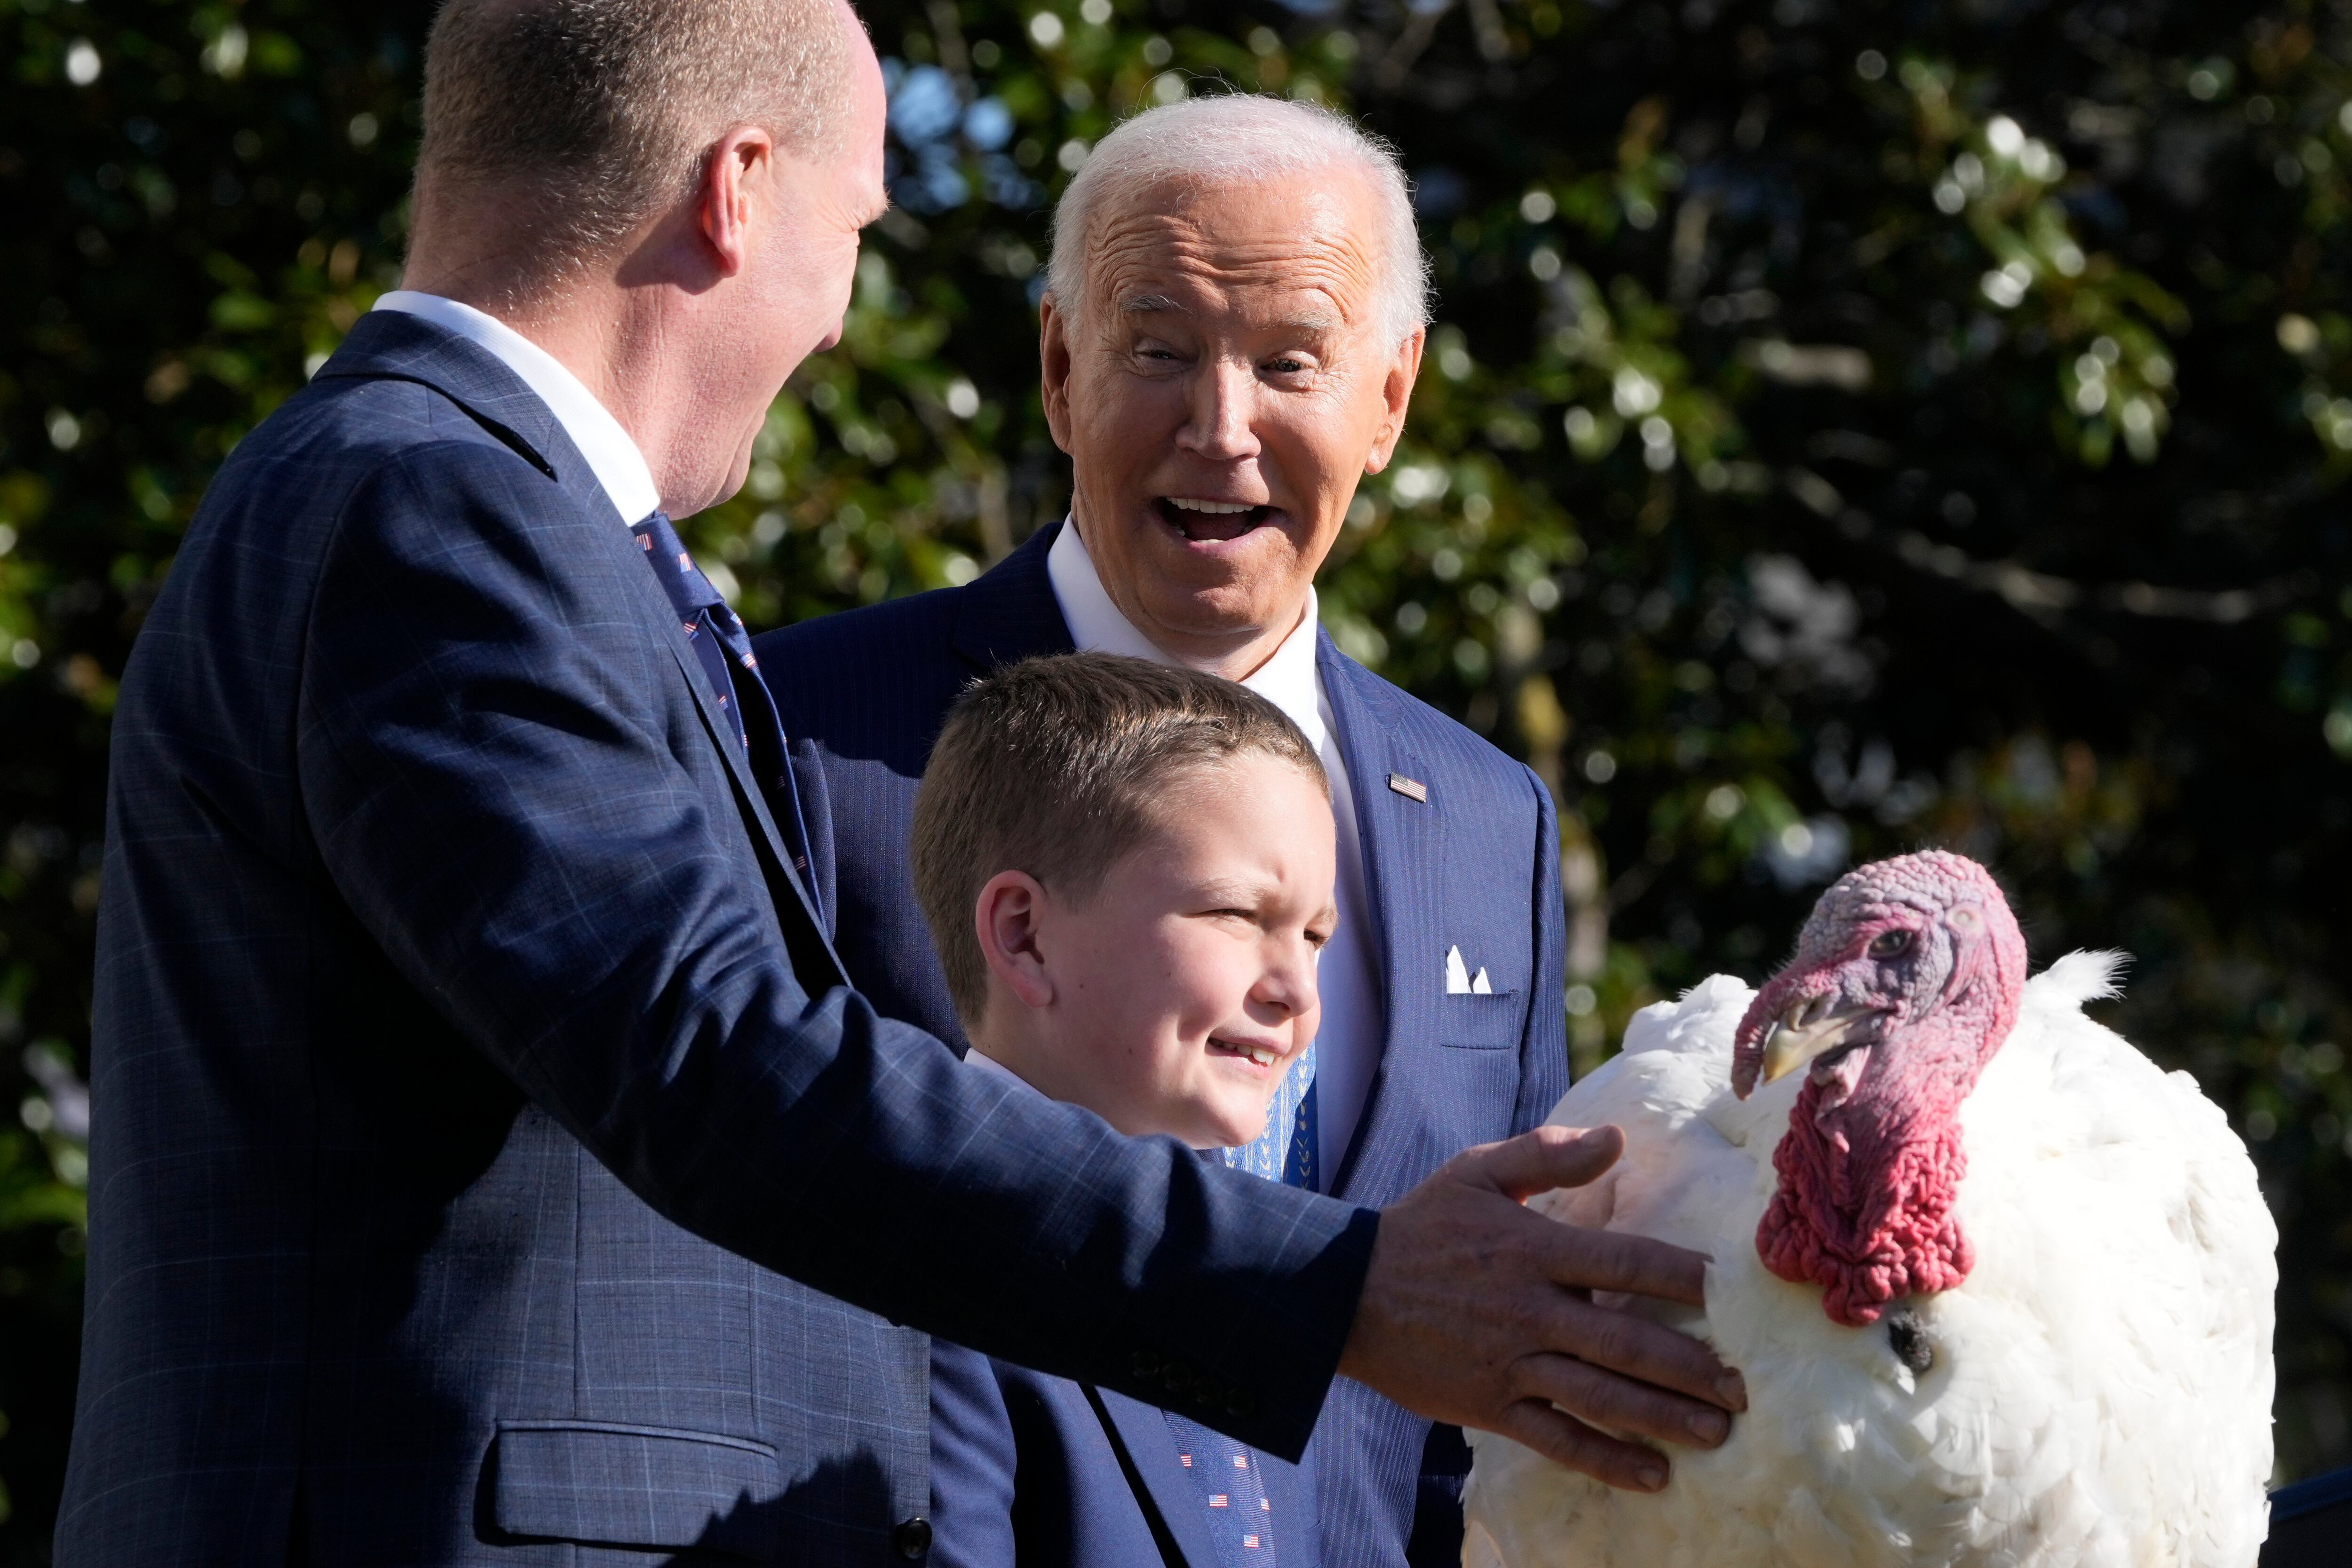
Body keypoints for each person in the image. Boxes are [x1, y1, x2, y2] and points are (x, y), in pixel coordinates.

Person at [59, 0, 1743, 1560]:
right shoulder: (437, 507)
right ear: (739, 193)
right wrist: (1340, 1287)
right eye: (856, 227)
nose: (844, 308)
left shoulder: (436, 496)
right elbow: (715, 1056)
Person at [755, 93, 1648, 1565]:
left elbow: (1483, 1379)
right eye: (1158, 350)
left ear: (1392, 396)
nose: (1221, 427)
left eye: (1291, 362)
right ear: (1058, 367)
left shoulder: (1489, 818)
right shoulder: (800, 731)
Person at [913, 653, 1342, 1567]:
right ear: (1025, 935)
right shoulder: (922, 1290)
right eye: (1233, 911)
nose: (1296, 988)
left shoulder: (1266, 1291)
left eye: (1314, 935)